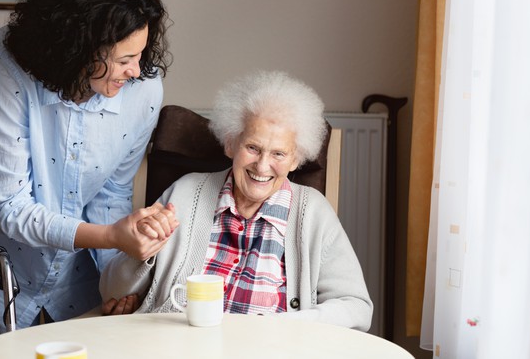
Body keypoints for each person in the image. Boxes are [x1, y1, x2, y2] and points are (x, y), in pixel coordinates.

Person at [100, 71, 373, 331]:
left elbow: (357, 307)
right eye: (253, 148)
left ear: (296, 159)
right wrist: (141, 250)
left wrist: (289, 326)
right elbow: (110, 291)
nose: (263, 166)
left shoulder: (313, 213)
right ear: (231, 143)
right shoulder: (184, 193)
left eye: (279, 153)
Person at [0, 0, 179, 332]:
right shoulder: (11, 77)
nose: (135, 70)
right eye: (125, 58)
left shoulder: (143, 90)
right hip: (9, 273)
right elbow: (10, 207)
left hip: (80, 283)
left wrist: (118, 280)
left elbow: (112, 193)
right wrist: (111, 236)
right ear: (79, 50)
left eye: (141, 54)